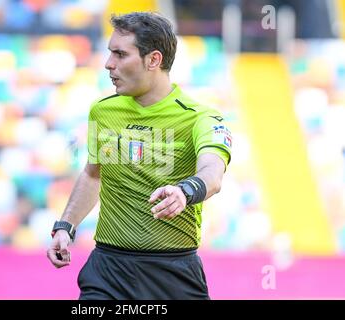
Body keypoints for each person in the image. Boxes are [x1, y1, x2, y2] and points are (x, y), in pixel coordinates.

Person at [46, 11, 232, 300]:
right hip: (108, 270)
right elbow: (94, 174)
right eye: (110, 53)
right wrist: (66, 226)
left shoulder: (200, 118)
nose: (109, 64)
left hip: (172, 273)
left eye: (120, 54)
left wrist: (185, 191)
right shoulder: (103, 111)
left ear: (153, 60)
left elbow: (212, 172)